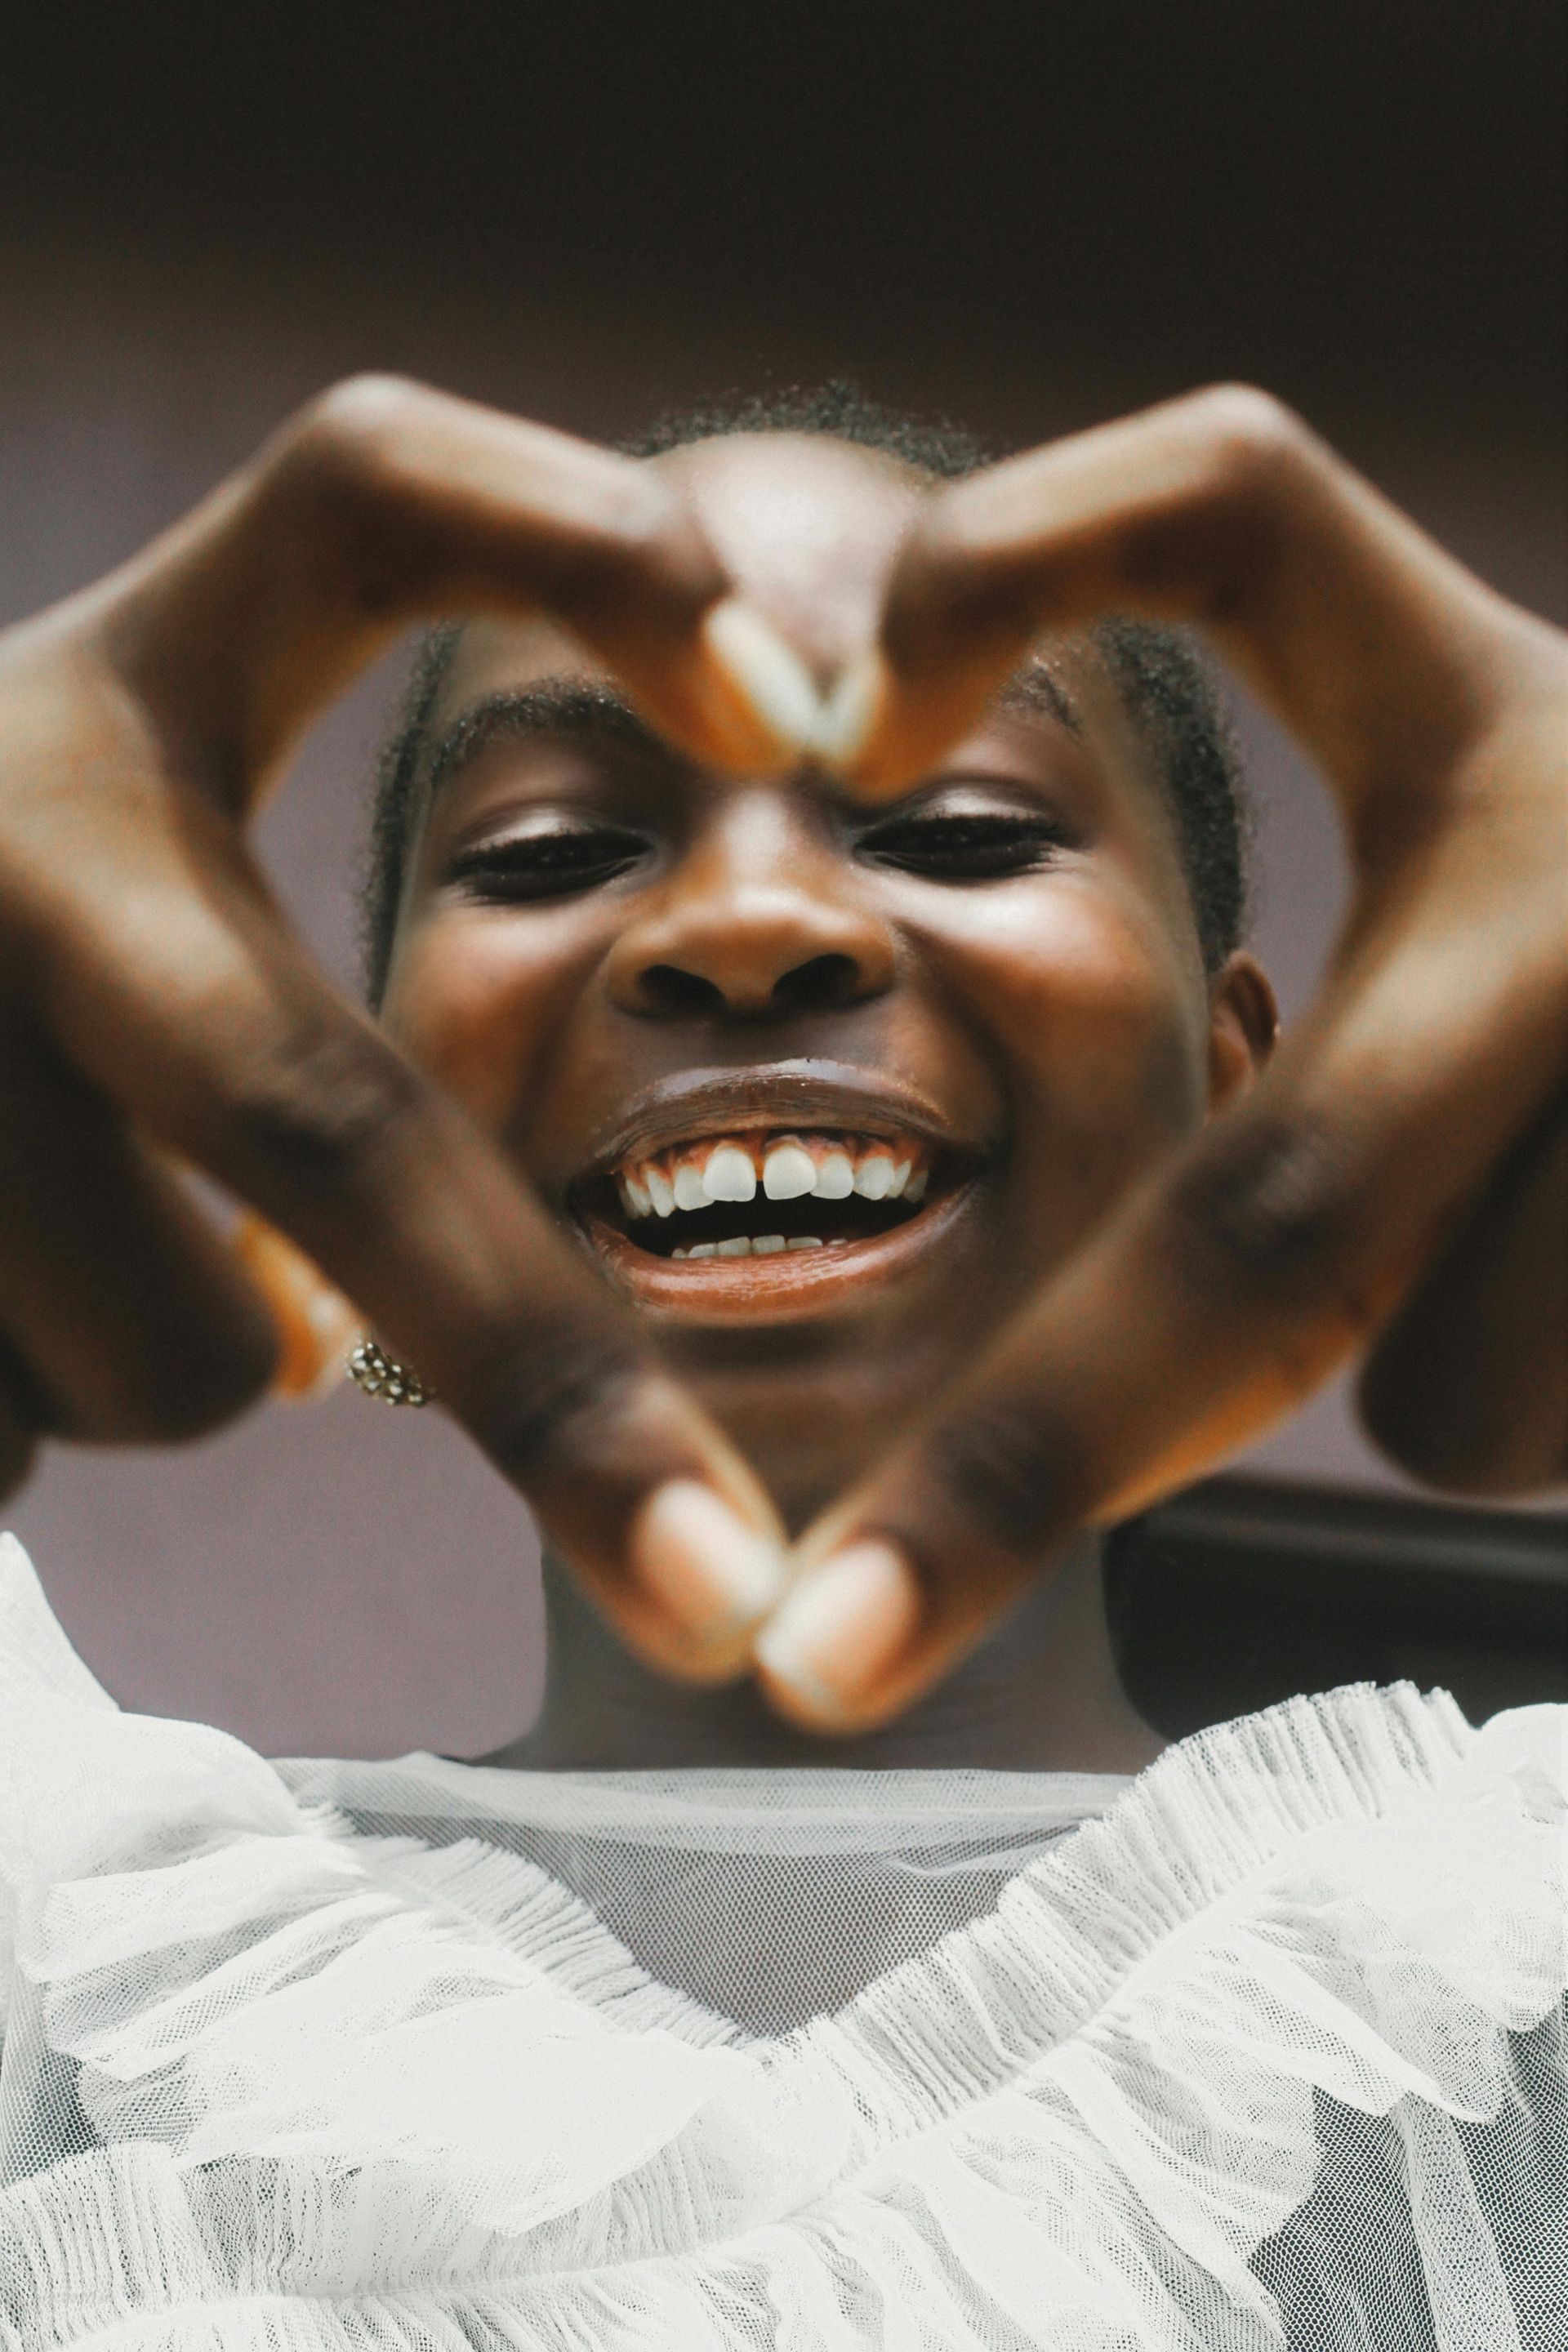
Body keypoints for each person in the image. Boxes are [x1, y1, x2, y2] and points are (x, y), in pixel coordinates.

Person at [0, 378, 1562, 2347]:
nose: (747, 922)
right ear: (360, 1126)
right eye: (554, 850)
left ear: (1237, 1103)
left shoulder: (1505, 1965)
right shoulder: (61, 1956)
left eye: (961, 826)